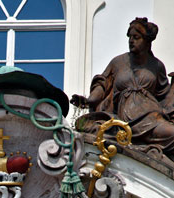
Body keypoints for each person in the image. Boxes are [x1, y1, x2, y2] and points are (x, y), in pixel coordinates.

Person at [71, 17, 174, 160]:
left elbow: (165, 96)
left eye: (136, 37)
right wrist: (88, 101)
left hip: (151, 118)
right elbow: (102, 85)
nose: (131, 41)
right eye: (130, 37)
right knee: (88, 126)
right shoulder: (118, 62)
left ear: (147, 41)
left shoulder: (157, 66)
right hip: (122, 121)